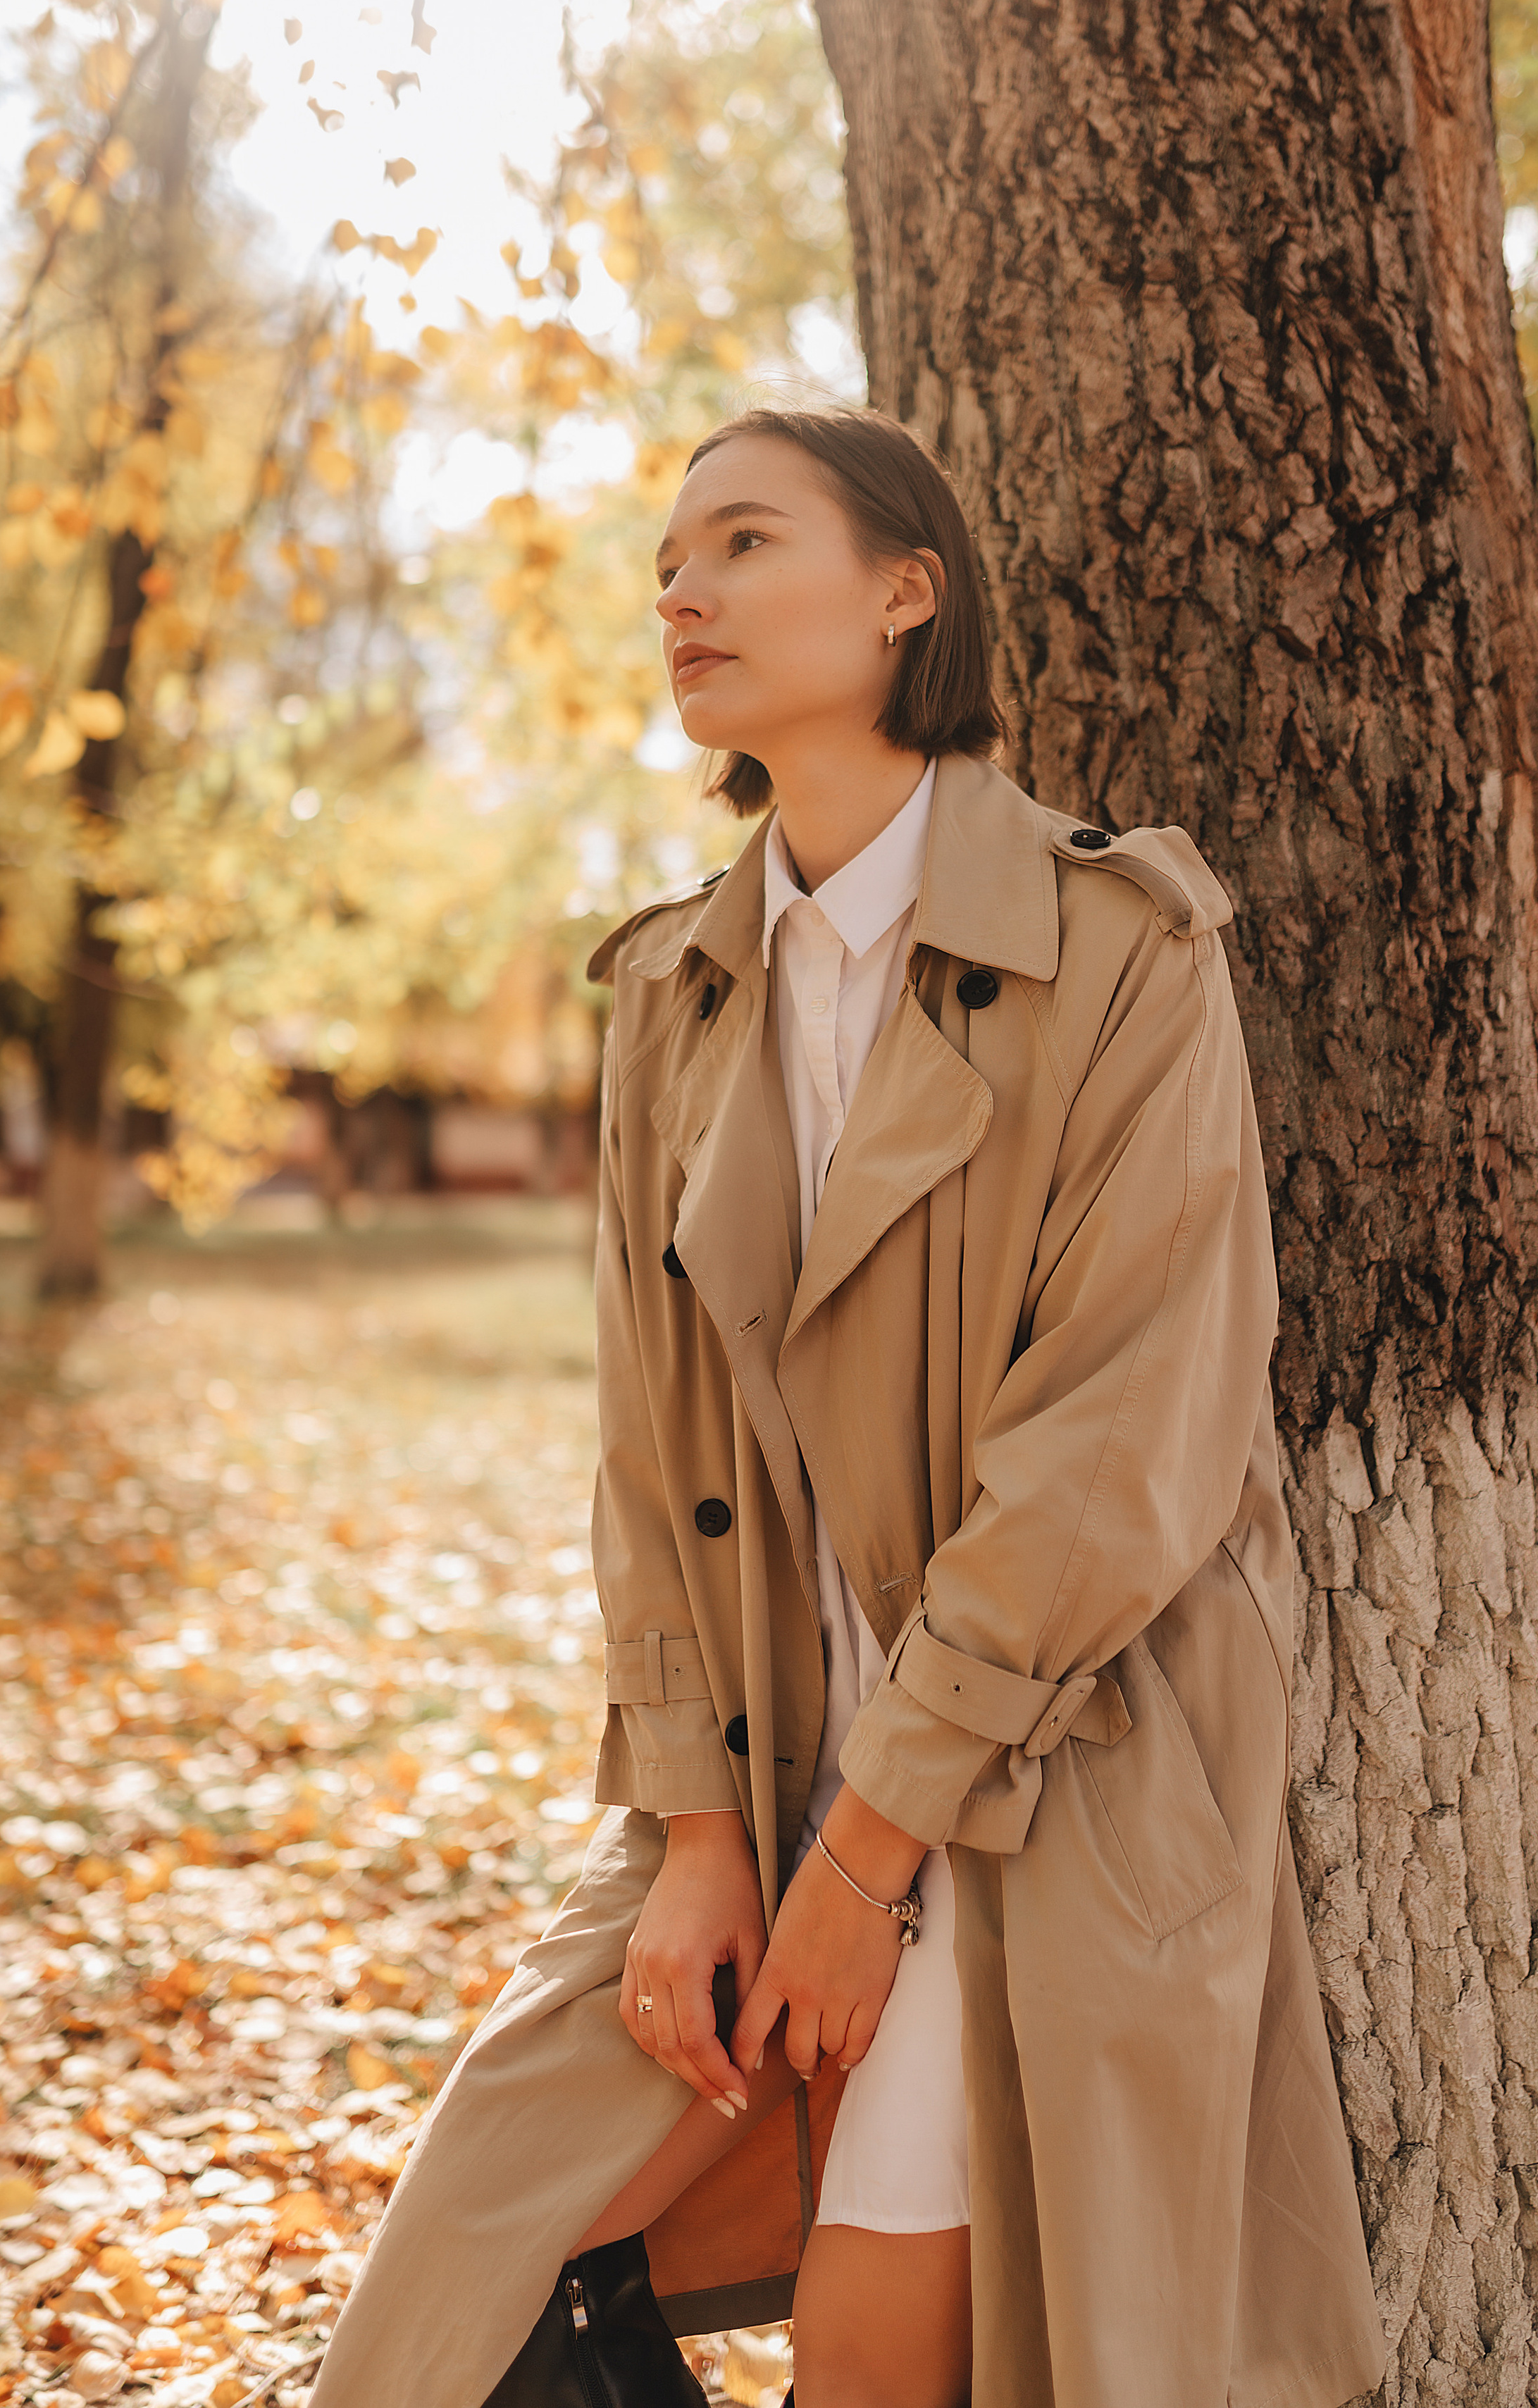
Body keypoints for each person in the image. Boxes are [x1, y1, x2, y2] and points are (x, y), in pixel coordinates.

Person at [309, 407, 1386, 2408]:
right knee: (466, 2269)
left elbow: (1120, 1451)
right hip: (754, 1759)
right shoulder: (669, 993)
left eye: (741, 541)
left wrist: (865, 1863)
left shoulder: (1121, 948)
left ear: (910, 591)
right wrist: (706, 1836)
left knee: (884, 2344)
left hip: (1041, 1776)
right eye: (668, 565)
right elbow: (650, 1459)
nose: (683, 593)